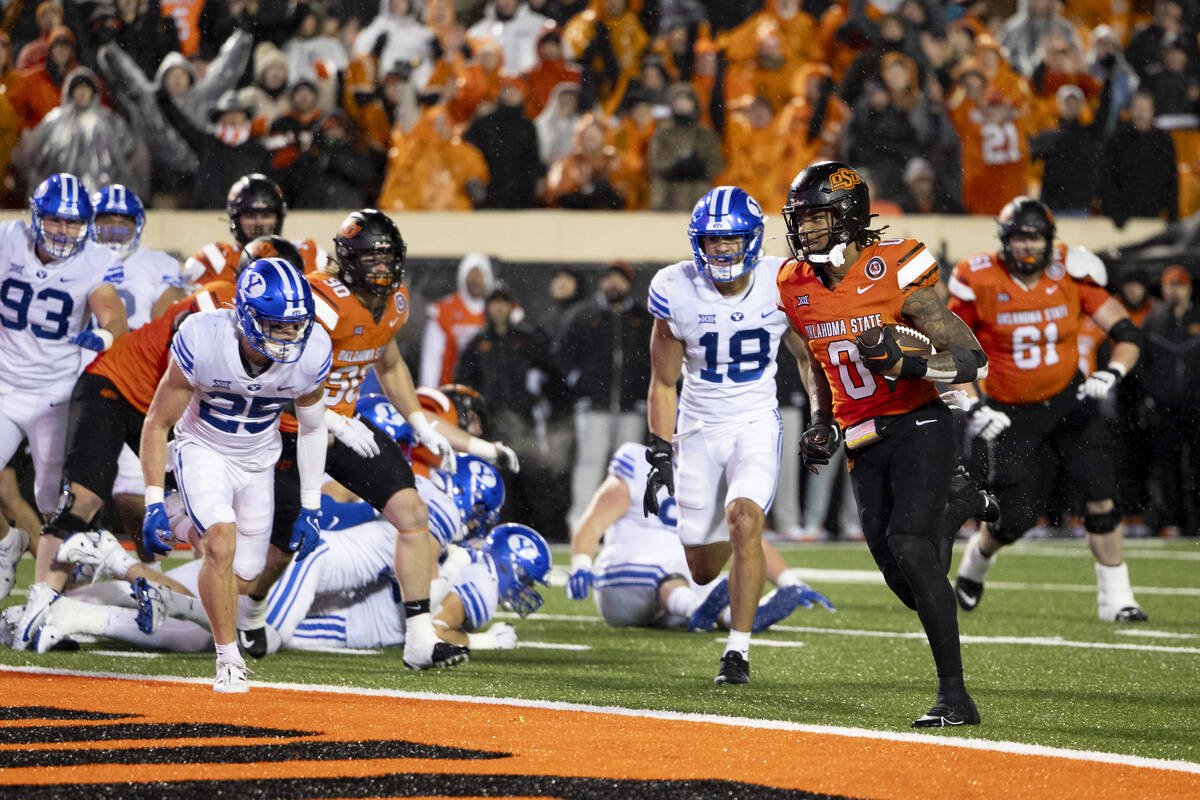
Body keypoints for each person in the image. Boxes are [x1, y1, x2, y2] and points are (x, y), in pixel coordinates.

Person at [776, 161, 989, 727]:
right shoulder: (793, 283)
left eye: (817, 218)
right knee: (906, 579)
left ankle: (955, 698)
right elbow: (815, 361)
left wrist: (911, 364)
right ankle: (959, 505)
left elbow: (971, 356)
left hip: (919, 420)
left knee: (912, 547)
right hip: (862, 435)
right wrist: (823, 419)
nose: (805, 231)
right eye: (800, 220)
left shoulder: (892, 266)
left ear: (847, 216)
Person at [261, 209, 470, 673]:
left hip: (344, 426)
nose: (381, 266)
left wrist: (419, 423)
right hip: (290, 429)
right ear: (346, 260)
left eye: (387, 256)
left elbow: (389, 364)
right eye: (370, 257)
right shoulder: (320, 301)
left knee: (414, 515)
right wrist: (327, 419)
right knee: (279, 547)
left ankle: (419, 639)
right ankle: (250, 613)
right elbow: (281, 371)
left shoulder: (393, 302)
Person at [138, 256, 333, 692]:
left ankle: (182, 517)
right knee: (220, 545)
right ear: (244, 316)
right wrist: (150, 497)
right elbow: (157, 423)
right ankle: (229, 660)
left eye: (295, 325)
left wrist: (311, 506)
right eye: (277, 325)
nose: (289, 336)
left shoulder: (314, 349)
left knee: (244, 579)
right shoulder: (204, 338)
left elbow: (315, 427)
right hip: (202, 448)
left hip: (259, 458)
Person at [948, 197, 1147, 621]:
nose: (1027, 247)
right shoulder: (978, 277)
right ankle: (976, 562)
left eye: (1034, 238)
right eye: (1019, 238)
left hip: (1067, 400)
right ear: (1004, 241)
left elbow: (1128, 333)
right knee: (1015, 518)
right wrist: (972, 403)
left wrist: (1112, 372)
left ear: (1049, 241)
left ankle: (1118, 599)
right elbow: (950, 346)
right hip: (1009, 411)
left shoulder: (1071, 271)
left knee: (1100, 491)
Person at [644, 185, 810, 685]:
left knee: (744, 520)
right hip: (697, 427)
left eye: (731, 239)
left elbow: (806, 358)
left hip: (756, 419)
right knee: (699, 567)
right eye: (712, 240)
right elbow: (663, 381)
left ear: (753, 240)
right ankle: (730, 571)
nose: (721, 249)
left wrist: (826, 417)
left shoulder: (780, 281)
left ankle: (737, 650)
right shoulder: (675, 286)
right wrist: (658, 448)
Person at [1, 173, 130, 650]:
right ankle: (6, 548)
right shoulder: (7, 241)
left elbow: (111, 310)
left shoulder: (94, 258)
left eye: (72, 222)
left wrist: (106, 335)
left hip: (56, 393)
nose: (61, 230)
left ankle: (53, 603)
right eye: (54, 219)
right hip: (3, 384)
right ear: (35, 217)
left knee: (58, 506)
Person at [567, 441, 832, 632]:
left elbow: (747, 539)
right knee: (666, 573)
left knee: (715, 582)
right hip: (624, 580)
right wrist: (581, 565)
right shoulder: (638, 460)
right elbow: (593, 522)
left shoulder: (714, 477)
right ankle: (700, 610)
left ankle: (729, 618)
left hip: (680, 585)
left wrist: (791, 582)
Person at [557, 260, 651, 529]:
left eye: (620, 279)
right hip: (593, 405)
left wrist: (644, 393)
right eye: (610, 278)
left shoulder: (642, 319)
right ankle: (581, 522)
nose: (613, 283)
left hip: (631, 406)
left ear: (629, 284)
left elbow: (653, 358)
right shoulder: (583, 315)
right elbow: (562, 354)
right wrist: (577, 383)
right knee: (589, 464)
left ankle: (626, 522)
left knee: (629, 467)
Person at [182, 173, 327, 288]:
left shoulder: (309, 254)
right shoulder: (214, 260)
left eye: (266, 215)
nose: (259, 223)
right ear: (236, 219)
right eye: (251, 216)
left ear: (278, 218)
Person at [419, 253, 494, 388]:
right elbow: (431, 359)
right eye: (471, 274)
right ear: (462, 276)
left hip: (487, 394)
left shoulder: (496, 309)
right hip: (450, 390)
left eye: (480, 274)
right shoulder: (445, 310)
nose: (475, 280)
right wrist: (429, 392)